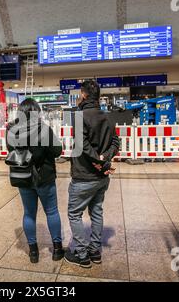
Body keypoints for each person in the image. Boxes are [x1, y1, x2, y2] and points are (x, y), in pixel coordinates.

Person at [64, 80, 120, 268]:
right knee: (96, 212)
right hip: (102, 178)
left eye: (81, 93)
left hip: (83, 176)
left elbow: (82, 145)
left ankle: (81, 254)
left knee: (74, 213)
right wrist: (104, 159)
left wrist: (97, 160)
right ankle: (95, 251)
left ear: (84, 95)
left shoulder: (80, 116)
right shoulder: (108, 116)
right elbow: (115, 143)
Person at [6, 98, 64, 264]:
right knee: (51, 211)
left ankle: (33, 252)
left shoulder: (11, 129)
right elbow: (56, 151)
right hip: (44, 177)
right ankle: (57, 250)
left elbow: (10, 151)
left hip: (23, 178)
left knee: (28, 214)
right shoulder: (43, 129)